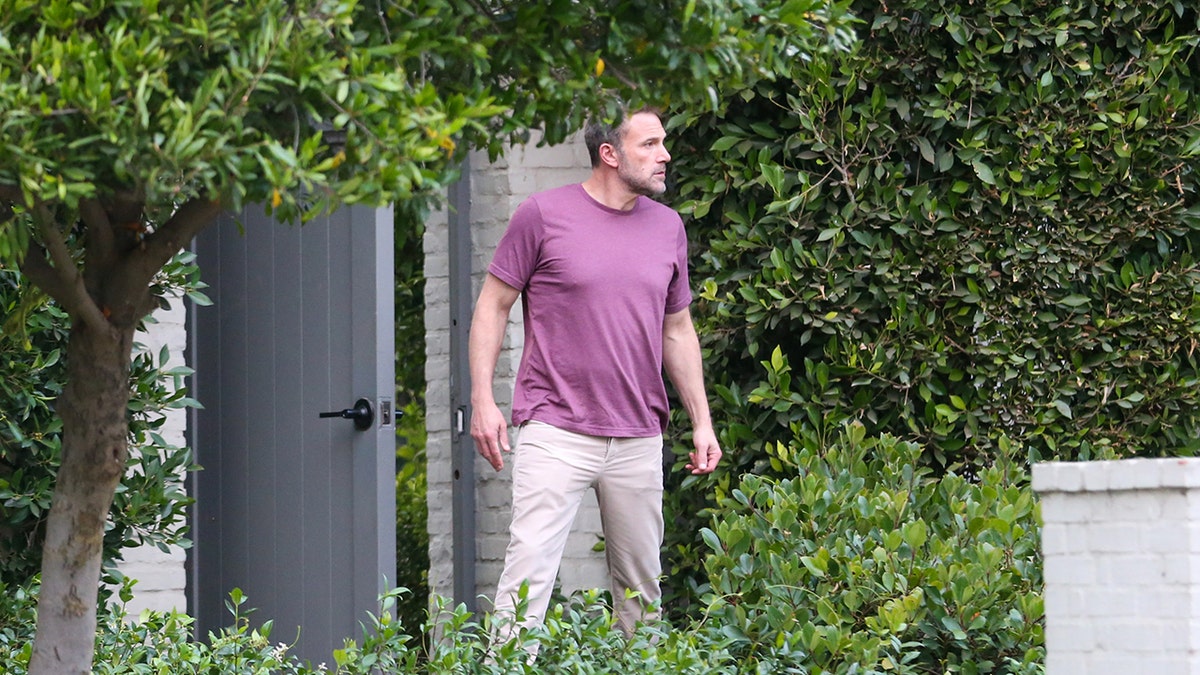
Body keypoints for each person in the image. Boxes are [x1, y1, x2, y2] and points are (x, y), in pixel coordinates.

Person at [468, 106, 722, 640]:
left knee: (641, 596)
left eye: (663, 143)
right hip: (555, 429)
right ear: (609, 154)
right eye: (649, 144)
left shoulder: (667, 227)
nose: (665, 155)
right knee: (526, 584)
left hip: (638, 436)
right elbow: (493, 305)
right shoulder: (542, 215)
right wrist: (483, 399)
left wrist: (702, 420)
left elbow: (677, 330)